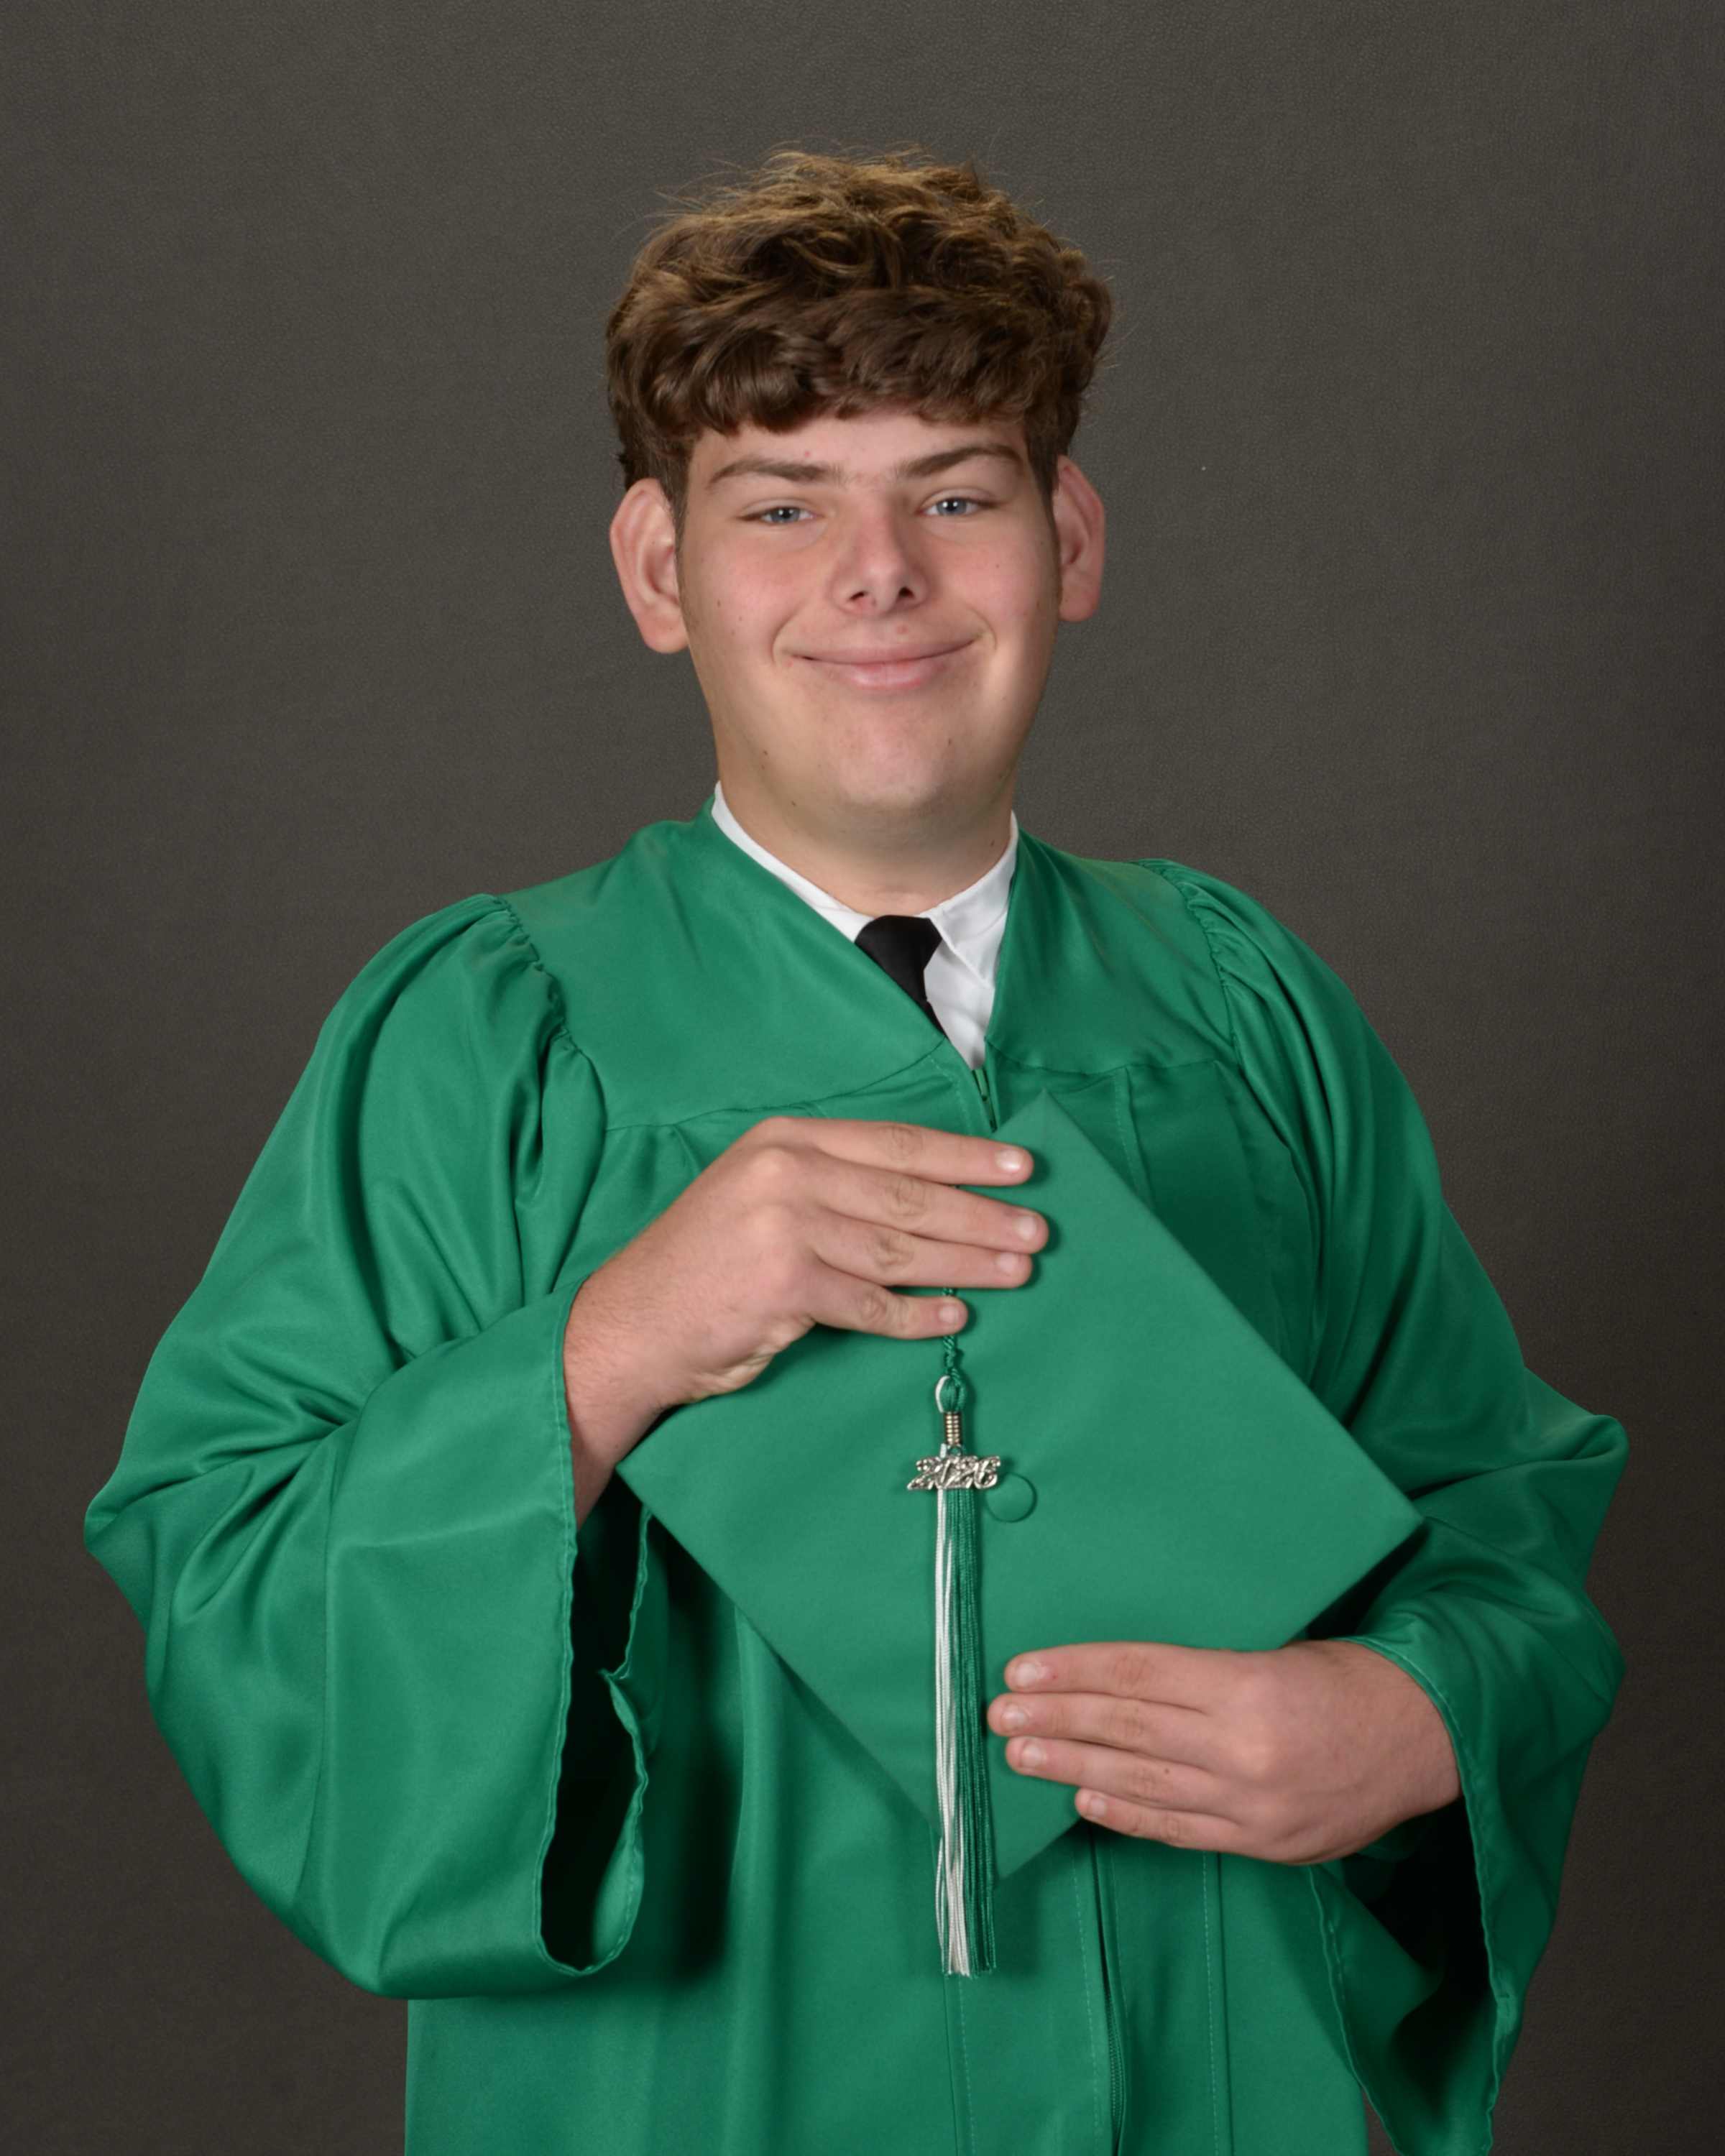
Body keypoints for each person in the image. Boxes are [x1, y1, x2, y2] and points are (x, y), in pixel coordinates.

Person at [87, 153, 1625, 2156]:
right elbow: (227, 1562)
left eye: (956, 495)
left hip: (1213, 2073)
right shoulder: (485, 1038)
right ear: (660, 571)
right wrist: (604, 1353)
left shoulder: (1243, 1011)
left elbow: (1494, 1510)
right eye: (784, 504)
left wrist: (1414, 1717)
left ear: (1071, 540)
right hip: (698, 2093)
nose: (879, 572)